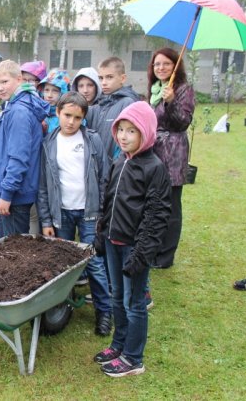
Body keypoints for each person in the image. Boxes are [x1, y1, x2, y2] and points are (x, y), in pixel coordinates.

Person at [93, 101, 171, 377]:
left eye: (131, 131)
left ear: (146, 133)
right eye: (121, 130)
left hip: (134, 248)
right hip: (114, 242)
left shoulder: (154, 168)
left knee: (134, 302)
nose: (124, 136)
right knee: (117, 297)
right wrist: (101, 234)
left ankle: (133, 357)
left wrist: (141, 253)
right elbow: (108, 201)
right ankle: (119, 344)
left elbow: (157, 215)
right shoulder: (118, 162)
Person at [37, 92, 112, 336]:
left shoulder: (92, 140)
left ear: (83, 119)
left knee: (95, 263)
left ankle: (104, 312)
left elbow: (104, 177)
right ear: (57, 113)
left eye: (77, 117)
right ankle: (61, 306)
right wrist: (47, 220)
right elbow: (43, 186)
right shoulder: (48, 143)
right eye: (67, 115)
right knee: (64, 263)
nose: (71, 121)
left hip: (89, 213)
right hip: (61, 215)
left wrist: (101, 211)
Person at [0, 60, 50, 238]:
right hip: (13, 191)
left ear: (19, 79)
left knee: (11, 253)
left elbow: (19, 158)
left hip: (15, 195)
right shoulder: (13, 106)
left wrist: (6, 194)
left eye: (5, 82)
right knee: (5, 247)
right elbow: (8, 149)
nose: (0, 88)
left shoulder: (19, 112)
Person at [147, 47, 195, 269]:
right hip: (153, 151)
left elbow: (183, 122)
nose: (161, 68)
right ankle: (152, 248)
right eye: (157, 64)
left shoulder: (183, 89)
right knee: (153, 203)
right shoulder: (155, 89)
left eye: (166, 63)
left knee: (171, 206)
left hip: (173, 152)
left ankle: (166, 256)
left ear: (176, 65)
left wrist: (172, 101)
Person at [86, 57, 139, 163]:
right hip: (97, 166)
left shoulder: (128, 103)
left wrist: (117, 165)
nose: (104, 82)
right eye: (101, 78)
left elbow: (129, 141)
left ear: (122, 78)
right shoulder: (99, 104)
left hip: (115, 167)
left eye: (109, 77)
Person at [37, 69, 71, 133]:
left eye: (55, 91)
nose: (49, 95)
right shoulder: (37, 112)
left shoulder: (70, 116)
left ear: (63, 93)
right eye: (46, 90)